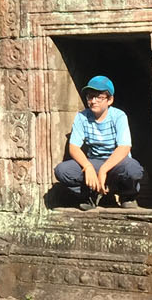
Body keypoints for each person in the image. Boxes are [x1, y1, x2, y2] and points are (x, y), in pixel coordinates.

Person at [55, 75, 144, 209]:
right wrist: (88, 166)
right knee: (62, 170)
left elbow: (124, 147)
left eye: (99, 97)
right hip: (94, 161)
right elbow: (74, 147)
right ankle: (91, 194)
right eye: (90, 97)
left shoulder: (118, 116)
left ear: (109, 100)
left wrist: (103, 170)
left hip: (117, 163)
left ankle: (127, 195)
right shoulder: (82, 117)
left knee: (133, 169)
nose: (93, 101)